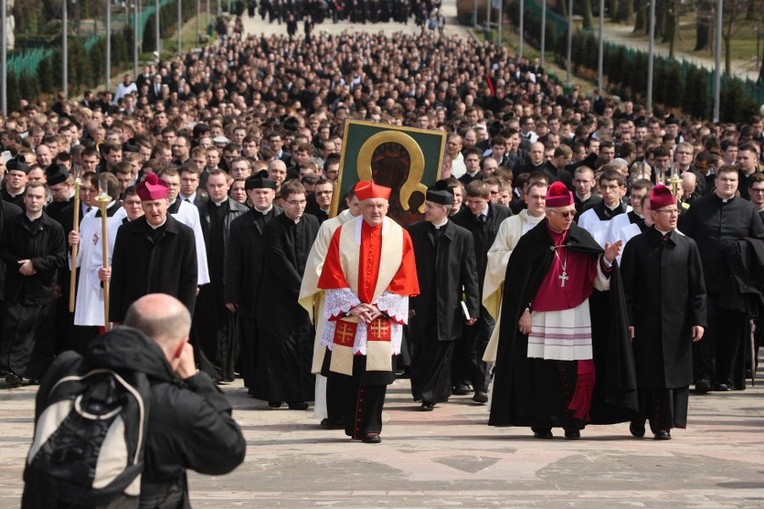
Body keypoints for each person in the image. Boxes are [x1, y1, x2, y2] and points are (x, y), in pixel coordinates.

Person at [22, 293, 246, 507]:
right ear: (181, 347)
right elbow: (229, 449)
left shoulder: (65, 371)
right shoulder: (172, 402)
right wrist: (195, 379)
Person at [489, 181, 638, 439]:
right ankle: (543, 420)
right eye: (565, 213)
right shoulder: (531, 242)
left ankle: (573, 421)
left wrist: (607, 260)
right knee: (542, 371)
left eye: (573, 213)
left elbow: (598, 283)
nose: (571, 218)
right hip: (540, 317)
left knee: (574, 369)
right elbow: (518, 285)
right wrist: (522, 311)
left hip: (576, 315)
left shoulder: (581, 238)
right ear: (550, 213)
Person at [317, 180, 419, 443]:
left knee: (377, 374)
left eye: (380, 205)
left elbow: (404, 276)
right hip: (351, 313)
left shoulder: (400, 235)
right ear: (359, 207)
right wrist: (353, 304)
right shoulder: (343, 233)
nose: (376, 210)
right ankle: (352, 425)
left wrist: (379, 306)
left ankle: (372, 427)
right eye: (370, 205)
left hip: (380, 315)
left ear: (388, 206)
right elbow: (333, 272)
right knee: (349, 373)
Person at [621, 185, 707, 440]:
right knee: (645, 373)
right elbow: (626, 289)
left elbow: (698, 288)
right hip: (644, 324)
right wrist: (629, 320)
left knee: (671, 375)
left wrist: (698, 320)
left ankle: (663, 424)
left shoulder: (687, 245)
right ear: (654, 214)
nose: (673, 215)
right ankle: (638, 418)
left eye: (675, 211)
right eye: (667, 211)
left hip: (677, 324)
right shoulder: (637, 245)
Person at [679, 165, 764, 392]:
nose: (728, 183)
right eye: (724, 179)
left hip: (734, 281)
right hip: (702, 278)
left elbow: (760, 242)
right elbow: (683, 238)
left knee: (731, 330)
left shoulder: (748, 210)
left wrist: (739, 247)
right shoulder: (698, 207)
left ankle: (725, 377)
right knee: (702, 329)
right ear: (715, 182)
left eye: (733, 180)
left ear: (738, 184)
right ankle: (703, 376)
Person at [408, 182, 479, 411]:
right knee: (420, 349)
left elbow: (470, 275)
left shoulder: (462, 236)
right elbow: (406, 271)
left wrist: (473, 307)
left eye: (429, 206)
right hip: (420, 304)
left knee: (442, 350)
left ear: (444, 209)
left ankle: (431, 395)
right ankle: (422, 390)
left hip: (448, 306)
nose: (425, 210)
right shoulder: (415, 232)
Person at [253, 180, 319, 409]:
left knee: (302, 345)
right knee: (280, 346)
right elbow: (279, 261)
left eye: (302, 201)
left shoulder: (312, 222)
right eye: (293, 202)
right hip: (278, 298)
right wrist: (303, 289)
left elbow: (317, 255)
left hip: (306, 295)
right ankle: (276, 393)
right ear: (282, 202)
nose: (299, 206)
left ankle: (298, 395)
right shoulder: (273, 227)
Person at [299, 186, 361, 428]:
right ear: (347, 202)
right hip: (335, 304)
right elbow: (318, 265)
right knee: (332, 356)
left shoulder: (374, 228)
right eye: (356, 204)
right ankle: (330, 411)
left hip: (364, 307)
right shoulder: (330, 226)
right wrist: (344, 294)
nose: (361, 210)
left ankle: (355, 411)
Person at [450, 180, 512, 402]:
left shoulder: (504, 215)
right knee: (469, 333)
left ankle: (482, 385)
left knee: (487, 331)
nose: (472, 206)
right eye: (469, 202)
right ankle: (465, 378)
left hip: (494, 282)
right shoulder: (460, 219)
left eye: (477, 202)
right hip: (469, 285)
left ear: (488, 199)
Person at [0, 182, 67, 386]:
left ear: (46, 200)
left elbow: (60, 257)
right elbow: (3, 250)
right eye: (30, 196)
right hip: (16, 285)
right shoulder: (12, 223)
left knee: (40, 334)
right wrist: (20, 265)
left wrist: (36, 264)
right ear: (24, 198)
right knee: (15, 329)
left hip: (41, 287)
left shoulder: (54, 227)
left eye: (38, 197)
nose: (34, 201)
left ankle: (36, 373)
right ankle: (13, 372)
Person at [109, 173, 198, 324]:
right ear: (142, 206)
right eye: (148, 205)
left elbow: (189, 281)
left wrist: (185, 319)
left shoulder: (184, 234)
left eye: (157, 204)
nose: (154, 210)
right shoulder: (126, 232)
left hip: (169, 313)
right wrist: (116, 318)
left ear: (167, 203)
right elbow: (118, 275)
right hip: (135, 312)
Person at [225, 170, 282, 396]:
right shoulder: (240, 223)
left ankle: (274, 381)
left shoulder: (281, 217)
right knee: (251, 336)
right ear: (249, 194)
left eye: (266, 193)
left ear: (273, 193)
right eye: (257, 193)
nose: (262, 197)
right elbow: (233, 261)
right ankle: (254, 380)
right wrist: (231, 294)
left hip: (278, 290)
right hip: (251, 289)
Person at [482, 179, 548, 364]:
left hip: (545, 298)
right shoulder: (510, 224)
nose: (540, 201)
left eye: (544, 197)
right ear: (525, 197)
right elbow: (495, 257)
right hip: (515, 296)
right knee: (512, 353)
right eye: (535, 196)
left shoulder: (555, 225)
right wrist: (520, 258)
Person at [193, 169, 248, 382]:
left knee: (229, 326)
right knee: (206, 324)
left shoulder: (241, 212)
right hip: (206, 277)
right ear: (206, 188)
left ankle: (226, 370)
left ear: (228, 185)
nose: (216, 190)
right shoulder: (198, 211)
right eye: (212, 186)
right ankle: (210, 371)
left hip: (229, 276)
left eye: (220, 185)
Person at [68, 173, 127, 353]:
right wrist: (74, 244)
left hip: (107, 279)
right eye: (84, 190)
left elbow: (125, 253)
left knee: (107, 324)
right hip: (88, 280)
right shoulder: (89, 216)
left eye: (91, 190)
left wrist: (112, 271)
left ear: (104, 192)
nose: (86, 194)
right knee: (89, 328)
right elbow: (77, 260)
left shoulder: (121, 216)